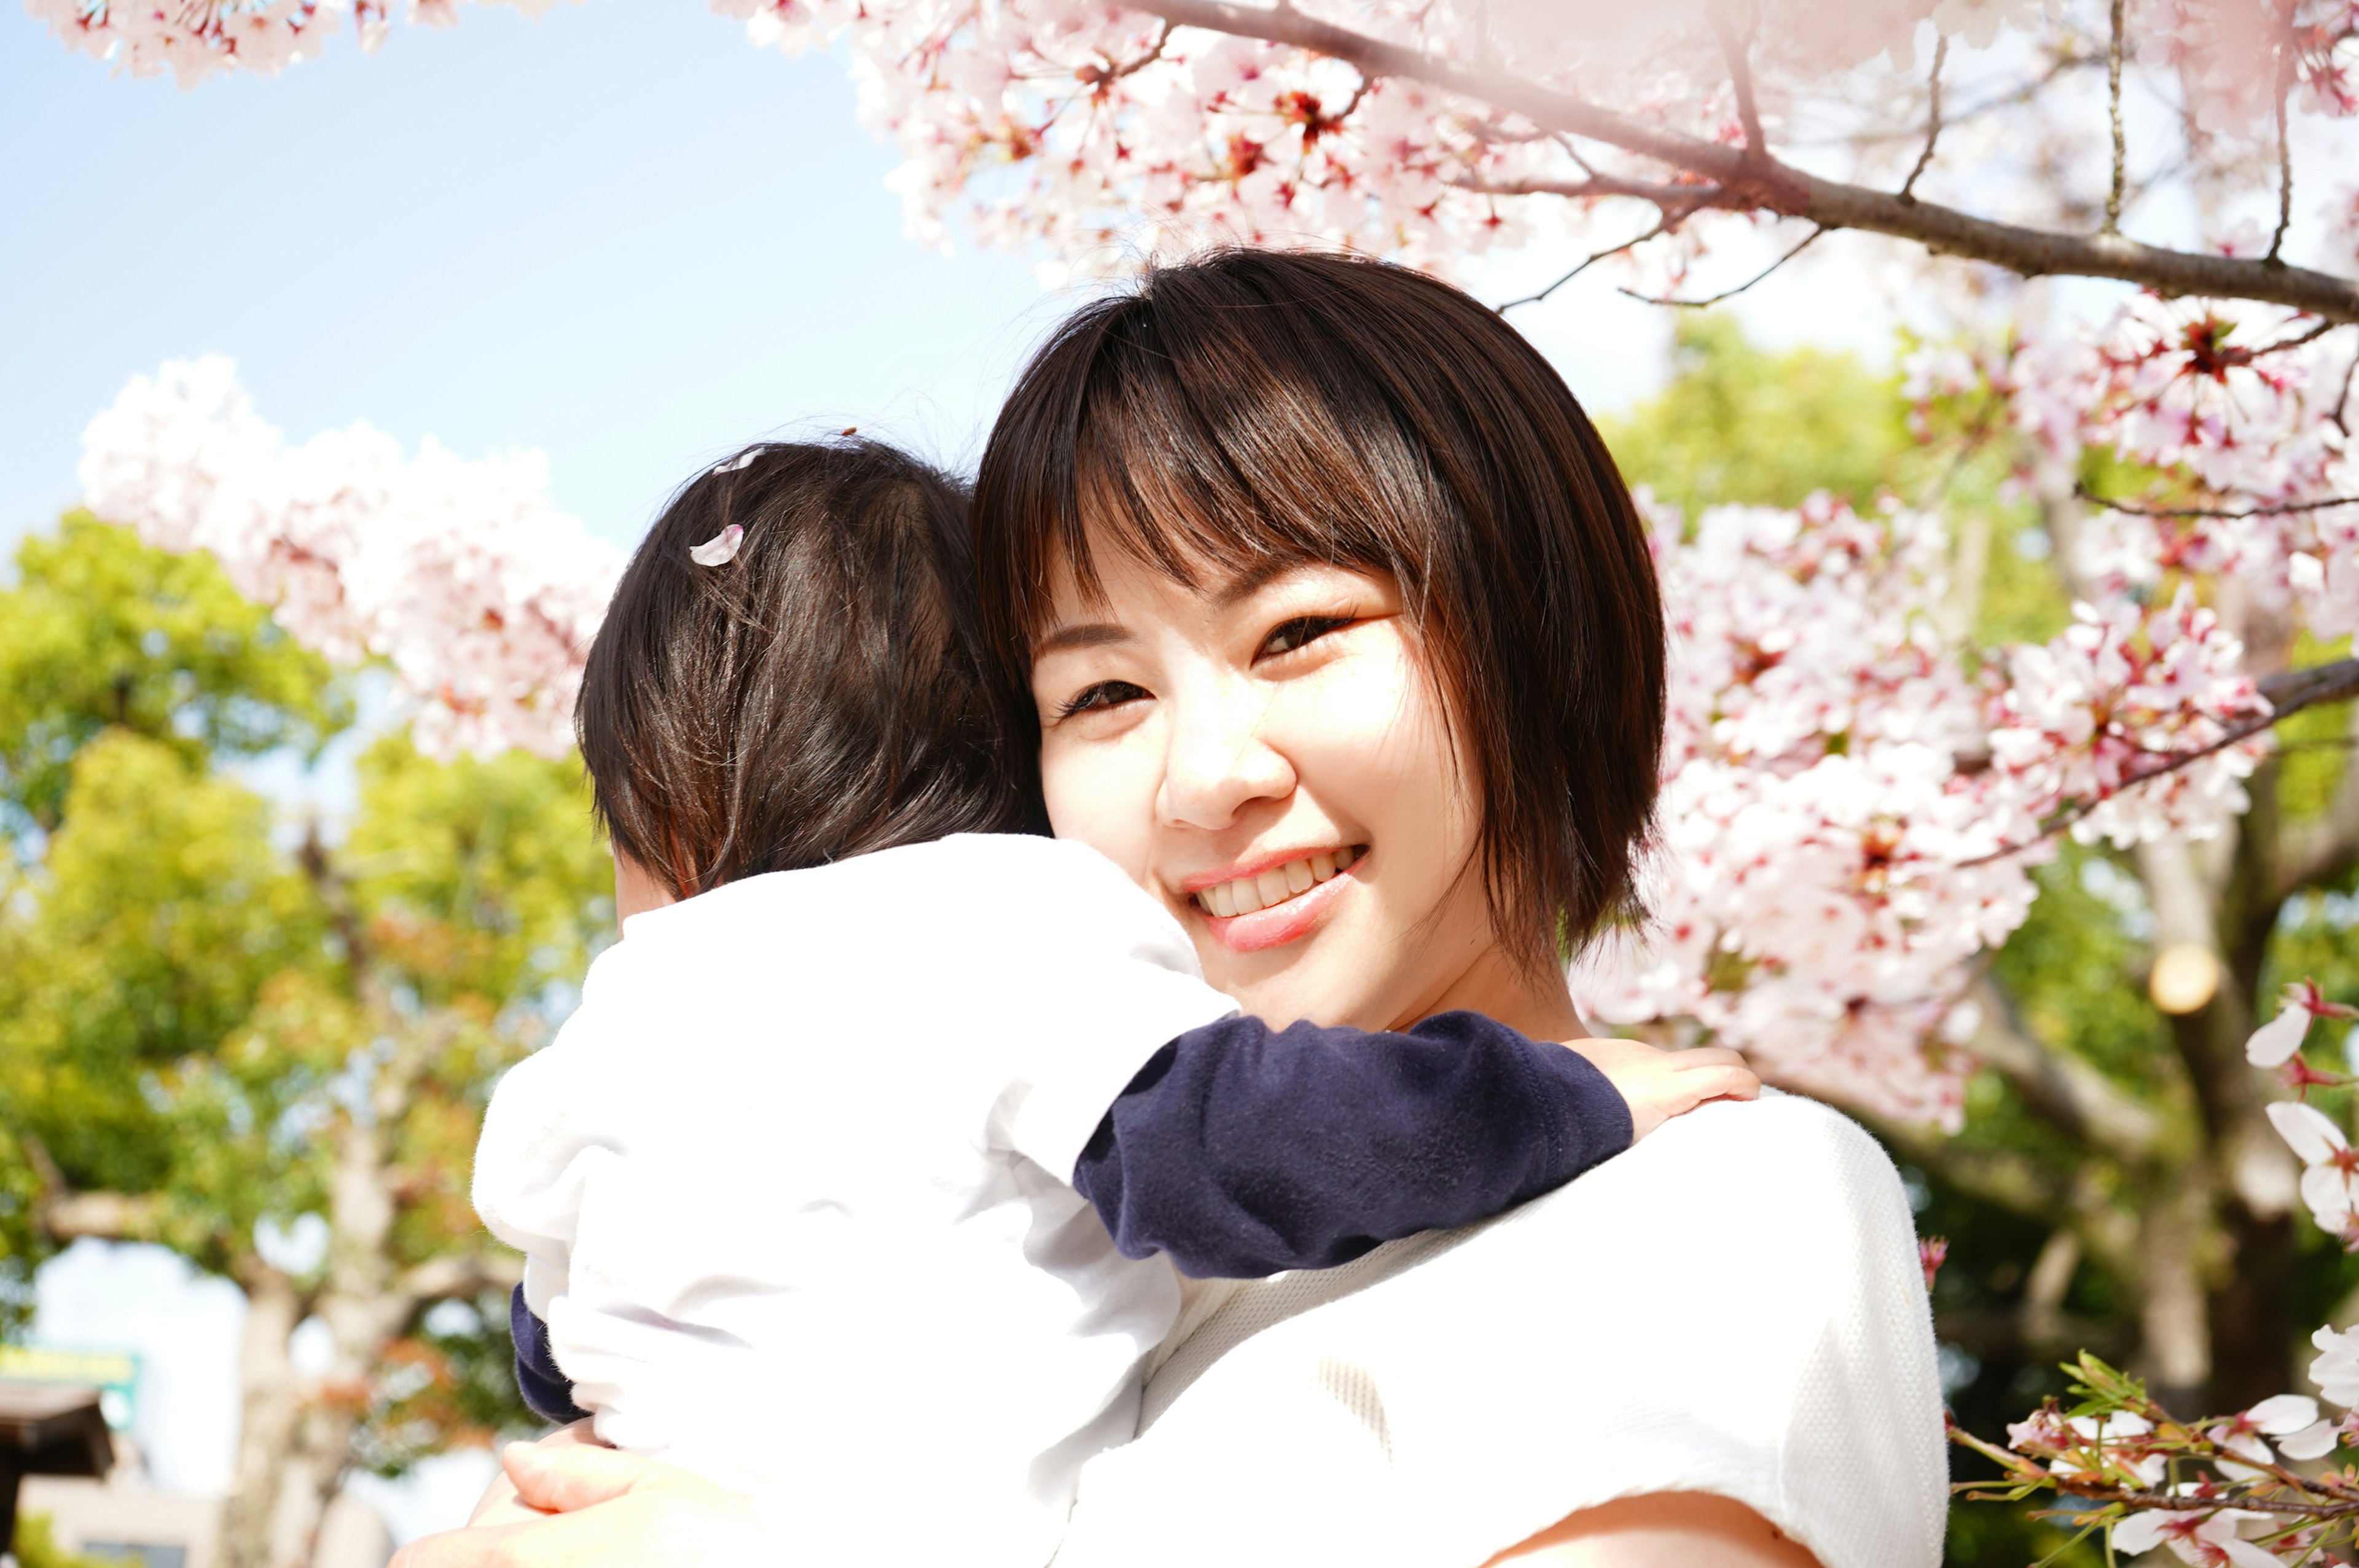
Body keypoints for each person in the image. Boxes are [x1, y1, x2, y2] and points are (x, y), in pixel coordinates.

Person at [395, 250, 1944, 1568]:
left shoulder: (1707, 1205)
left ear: (1537, 633)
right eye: (1105, 691)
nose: (1204, 778)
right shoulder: (1065, 1259)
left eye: (1300, 632)